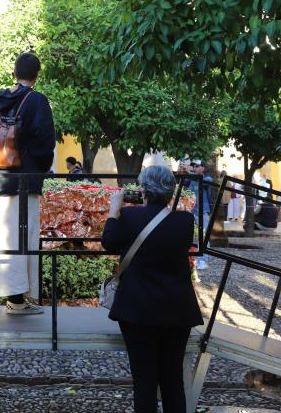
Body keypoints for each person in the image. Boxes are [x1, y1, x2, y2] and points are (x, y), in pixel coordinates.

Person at [102, 165, 203, 413]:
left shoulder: (129, 217)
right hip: (177, 310)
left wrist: (115, 209)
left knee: (144, 382)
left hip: (137, 310)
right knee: (172, 380)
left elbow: (109, 242)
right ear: (171, 192)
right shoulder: (184, 221)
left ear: (143, 190)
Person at [0, 52, 56, 314]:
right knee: (22, 238)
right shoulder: (38, 101)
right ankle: (17, 300)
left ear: (14, 72)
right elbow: (46, 144)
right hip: (25, 180)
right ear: (37, 75)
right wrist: (39, 168)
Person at [188, 160, 212, 270]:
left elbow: (205, 181)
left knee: (203, 236)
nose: (195, 168)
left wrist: (190, 173)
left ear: (203, 168)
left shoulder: (207, 179)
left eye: (197, 166)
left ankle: (203, 260)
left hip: (203, 211)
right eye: (194, 166)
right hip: (191, 211)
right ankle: (193, 259)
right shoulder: (191, 179)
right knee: (192, 237)